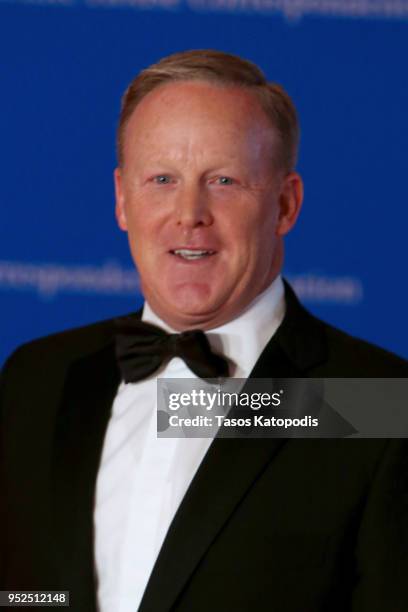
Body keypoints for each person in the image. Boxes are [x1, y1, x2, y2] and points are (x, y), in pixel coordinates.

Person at [1, 50, 407, 612]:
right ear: (122, 199)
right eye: (162, 179)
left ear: (286, 204)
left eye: (224, 180)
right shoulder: (35, 377)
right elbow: (26, 594)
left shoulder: (379, 403)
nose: (189, 212)